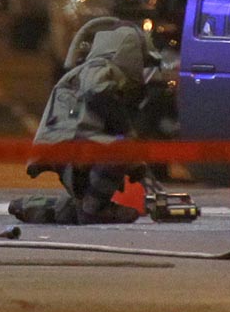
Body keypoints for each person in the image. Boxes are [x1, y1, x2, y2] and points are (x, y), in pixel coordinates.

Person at [11, 20, 162, 224]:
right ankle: (94, 209)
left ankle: (33, 206)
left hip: (71, 148)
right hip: (74, 147)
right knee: (119, 150)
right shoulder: (99, 69)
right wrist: (126, 130)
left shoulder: (86, 72)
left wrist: (139, 167)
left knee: (73, 211)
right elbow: (97, 94)